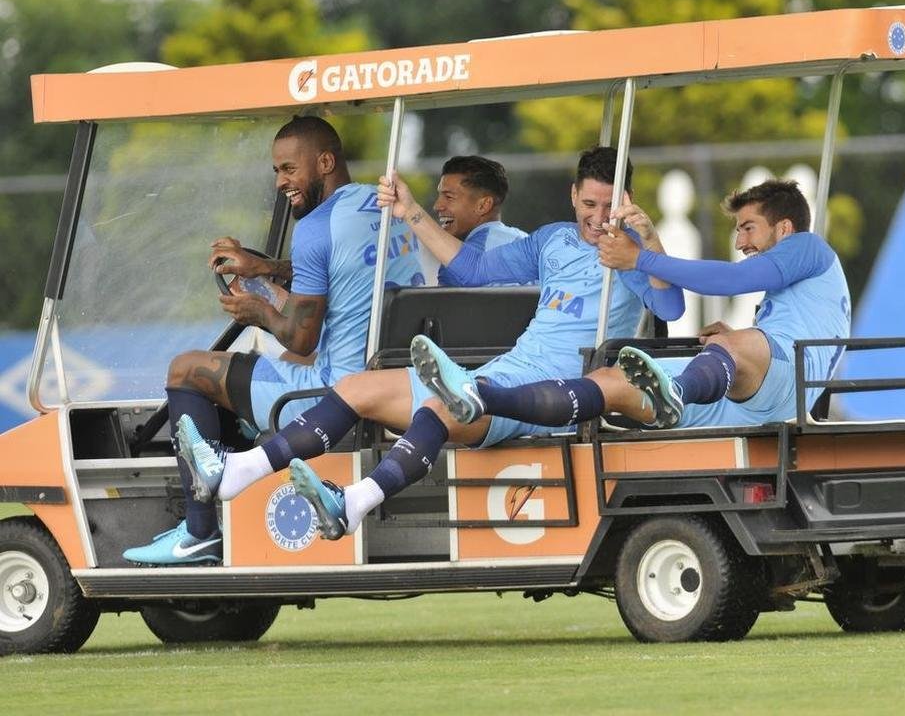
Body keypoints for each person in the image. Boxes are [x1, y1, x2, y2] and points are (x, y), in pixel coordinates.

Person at [178, 146, 684, 542]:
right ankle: (242, 471)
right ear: (574, 195)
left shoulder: (631, 254)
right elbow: (472, 269)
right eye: (589, 204)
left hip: (548, 394)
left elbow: (671, 310)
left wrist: (649, 252)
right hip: (506, 369)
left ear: (627, 203)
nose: (597, 218)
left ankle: (348, 501)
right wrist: (411, 210)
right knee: (356, 386)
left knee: (444, 410)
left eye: (608, 206)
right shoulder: (553, 240)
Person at [123, 116, 431, 565]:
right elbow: (331, 267)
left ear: (324, 161)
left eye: (289, 169)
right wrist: (262, 267)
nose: (281, 182)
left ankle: (198, 532)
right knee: (268, 358)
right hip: (392, 380)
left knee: (187, 369)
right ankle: (246, 433)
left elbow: (303, 338)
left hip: (333, 396)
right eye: (276, 172)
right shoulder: (379, 207)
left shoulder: (313, 229)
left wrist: (257, 311)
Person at [410, 179, 850, 439]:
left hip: (785, 390)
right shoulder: (801, 285)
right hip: (761, 401)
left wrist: (643, 259)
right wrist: (731, 337)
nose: (740, 242)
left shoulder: (806, 245)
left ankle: (676, 392)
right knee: (609, 382)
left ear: (785, 228)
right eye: (738, 231)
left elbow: (732, 280)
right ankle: (483, 396)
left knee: (738, 345)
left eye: (748, 228)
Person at [417, 155, 530, 285]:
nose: (437, 206)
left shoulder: (457, 265)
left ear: (483, 205)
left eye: (449, 197)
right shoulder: (524, 240)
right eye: (440, 196)